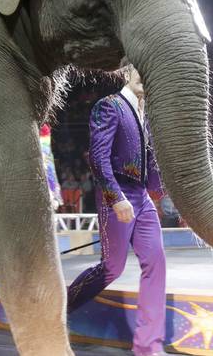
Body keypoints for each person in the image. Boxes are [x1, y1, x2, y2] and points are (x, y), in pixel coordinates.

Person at [66, 66, 167, 356]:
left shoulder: (145, 113)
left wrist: (159, 187)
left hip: (142, 196)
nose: (144, 76)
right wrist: (116, 197)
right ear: (125, 72)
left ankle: (148, 346)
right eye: (139, 69)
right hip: (117, 194)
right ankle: (61, 309)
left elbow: (149, 156)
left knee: (156, 262)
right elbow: (98, 157)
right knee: (112, 267)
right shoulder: (109, 105)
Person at [39, 124, 63, 210]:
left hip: (45, 154)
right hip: (44, 154)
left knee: (49, 175)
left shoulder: (44, 127)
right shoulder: (44, 127)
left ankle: (53, 197)